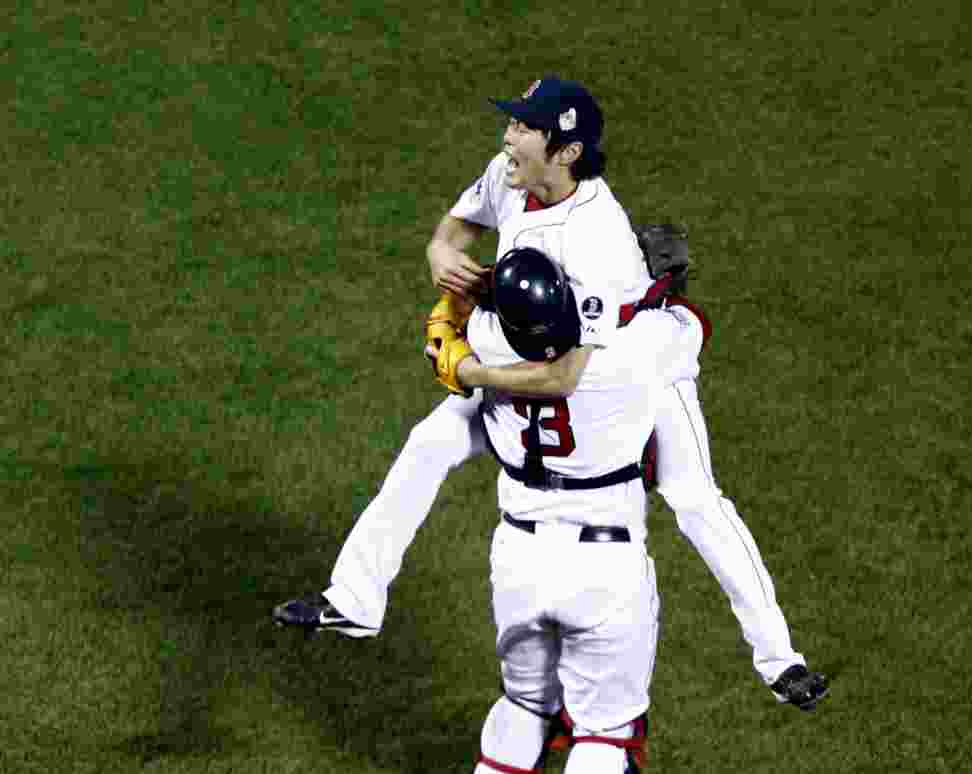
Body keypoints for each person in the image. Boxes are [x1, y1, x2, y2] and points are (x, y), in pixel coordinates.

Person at [272, 76, 827, 711]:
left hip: (628, 363)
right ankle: (354, 600)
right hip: (540, 354)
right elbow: (455, 230)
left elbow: (571, 374)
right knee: (430, 442)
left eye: (525, 128)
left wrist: (474, 372)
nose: (509, 135)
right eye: (513, 122)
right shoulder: (511, 173)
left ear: (565, 151)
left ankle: (779, 658)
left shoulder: (596, 238)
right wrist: (437, 255)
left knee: (694, 498)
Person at [462, 246, 692, 773]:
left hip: (518, 558)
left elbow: (456, 322)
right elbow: (685, 323)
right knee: (604, 737)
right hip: (603, 566)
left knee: (521, 709)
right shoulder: (633, 350)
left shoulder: (484, 348)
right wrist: (656, 286)